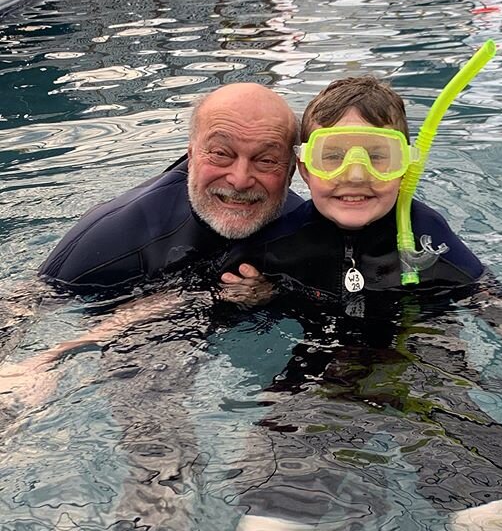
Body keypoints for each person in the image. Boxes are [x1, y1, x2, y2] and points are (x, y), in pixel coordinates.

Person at [219, 76, 502, 531]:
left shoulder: (427, 236)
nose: (355, 175)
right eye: (334, 156)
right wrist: (250, 297)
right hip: (320, 377)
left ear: (407, 163)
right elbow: (202, 298)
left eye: (378, 156)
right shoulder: (275, 243)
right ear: (304, 167)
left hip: (426, 362)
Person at [0, 82, 302, 406]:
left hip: (239, 336)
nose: (240, 179)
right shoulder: (116, 235)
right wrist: (43, 364)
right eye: (221, 153)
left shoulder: (305, 227)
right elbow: (23, 305)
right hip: (144, 336)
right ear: (192, 153)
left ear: (291, 170)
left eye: (266, 160)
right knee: (148, 393)